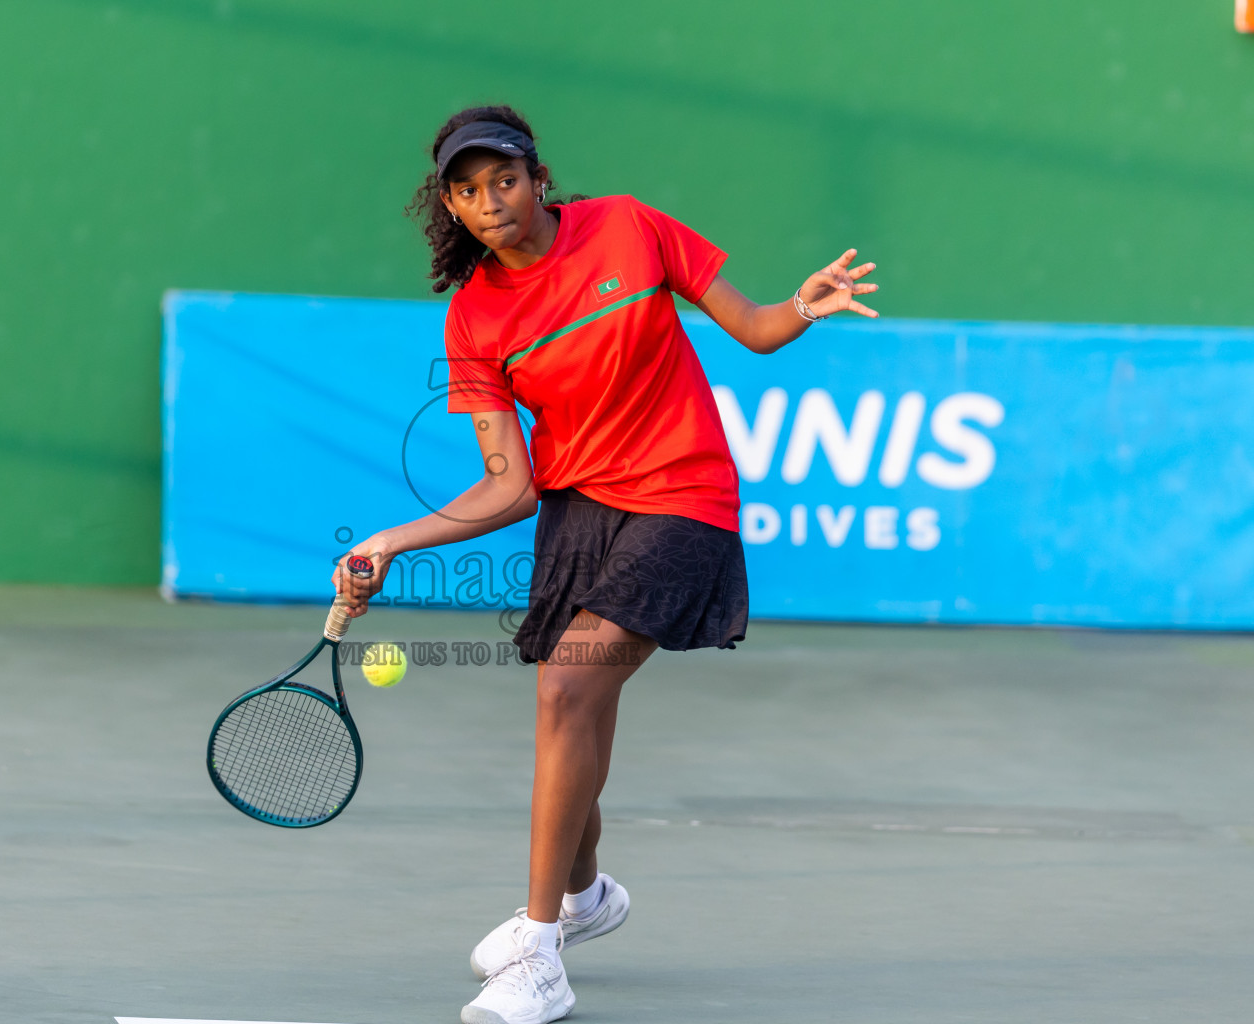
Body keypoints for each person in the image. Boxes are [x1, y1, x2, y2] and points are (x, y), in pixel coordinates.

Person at [332, 104, 879, 1024]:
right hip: (579, 512)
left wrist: (803, 306)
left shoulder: (627, 226)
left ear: (538, 179)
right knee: (569, 710)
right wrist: (390, 540)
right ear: (453, 209)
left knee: (566, 690)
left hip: (682, 498)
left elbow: (752, 327)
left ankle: (542, 952)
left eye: (502, 180)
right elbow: (508, 488)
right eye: (466, 192)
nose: (489, 202)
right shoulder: (473, 319)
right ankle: (584, 898)